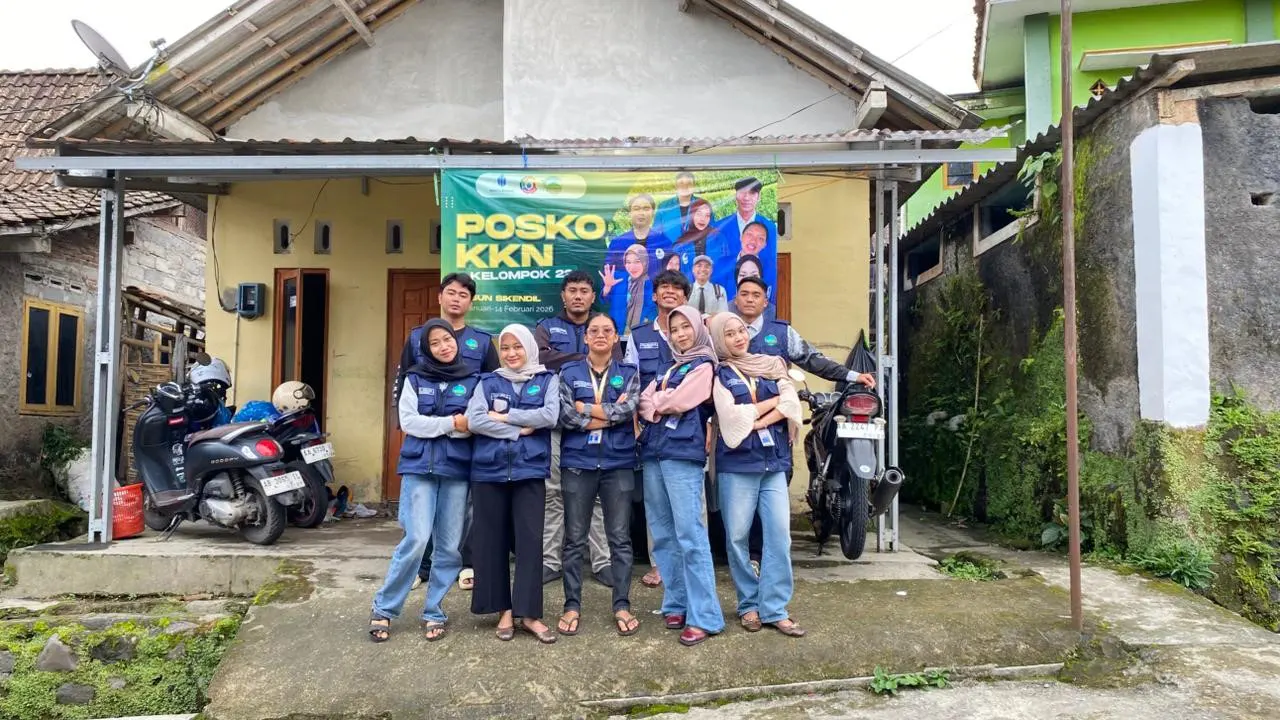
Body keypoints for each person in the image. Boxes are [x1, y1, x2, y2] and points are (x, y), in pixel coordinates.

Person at [369, 320, 478, 643]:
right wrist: (449, 423)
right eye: (435, 343)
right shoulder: (414, 378)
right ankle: (385, 607)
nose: (444, 346)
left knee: (448, 546)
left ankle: (434, 610)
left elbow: (472, 424)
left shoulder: (473, 380)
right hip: (419, 469)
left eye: (448, 339)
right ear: (426, 349)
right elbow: (409, 422)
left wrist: (448, 424)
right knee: (416, 539)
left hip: (457, 470)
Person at [396, 273, 498, 595]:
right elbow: (403, 386)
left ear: (471, 302)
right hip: (425, 439)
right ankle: (421, 568)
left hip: (466, 437)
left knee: (464, 505)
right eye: (451, 293)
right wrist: (407, 426)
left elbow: (493, 387)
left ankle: (466, 563)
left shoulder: (481, 341)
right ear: (440, 297)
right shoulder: (416, 338)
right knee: (421, 510)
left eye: (464, 294)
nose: (456, 299)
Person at [708, 312, 806, 638]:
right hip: (738, 465)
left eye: (741, 331)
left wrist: (760, 420)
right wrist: (775, 403)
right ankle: (748, 603)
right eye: (730, 334)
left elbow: (793, 404)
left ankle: (775, 608)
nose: (738, 337)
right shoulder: (719, 374)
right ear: (720, 339)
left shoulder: (771, 365)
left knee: (779, 535)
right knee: (737, 538)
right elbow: (730, 419)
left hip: (773, 462)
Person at [465, 324, 560, 644]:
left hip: (528, 471)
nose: (511, 353)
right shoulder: (487, 381)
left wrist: (504, 418)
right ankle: (504, 610)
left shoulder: (547, 379)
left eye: (517, 347)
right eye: (505, 348)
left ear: (529, 348)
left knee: (530, 542)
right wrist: (518, 429)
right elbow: (476, 419)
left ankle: (529, 613)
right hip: (488, 472)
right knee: (491, 543)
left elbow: (549, 416)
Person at [639, 305, 725, 647]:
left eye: (685, 327)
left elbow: (685, 400)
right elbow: (644, 402)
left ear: (698, 329)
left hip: (682, 454)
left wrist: (662, 402)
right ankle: (675, 602)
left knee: (690, 534)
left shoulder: (705, 365)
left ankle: (705, 616)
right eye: (674, 329)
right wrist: (662, 400)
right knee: (662, 534)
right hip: (653, 453)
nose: (680, 334)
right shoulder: (667, 367)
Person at [556, 313, 641, 637]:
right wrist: (608, 414)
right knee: (575, 540)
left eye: (608, 330)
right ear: (586, 338)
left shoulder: (629, 372)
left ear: (616, 336)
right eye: (595, 331)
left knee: (619, 539)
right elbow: (562, 414)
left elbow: (630, 407)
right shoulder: (568, 372)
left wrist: (585, 408)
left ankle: (621, 604)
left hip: (618, 463)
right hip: (578, 464)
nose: (601, 335)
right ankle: (571, 605)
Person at [534, 272, 617, 586]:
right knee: (552, 494)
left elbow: (615, 362)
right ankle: (549, 561)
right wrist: (587, 357)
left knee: (597, 497)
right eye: (573, 291)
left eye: (584, 291)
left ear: (593, 297)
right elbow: (542, 360)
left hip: (595, 426)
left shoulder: (603, 326)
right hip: (556, 427)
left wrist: (564, 360)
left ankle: (603, 562)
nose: (579, 296)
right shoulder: (546, 327)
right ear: (563, 295)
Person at [623, 269, 692, 589]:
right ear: (654, 296)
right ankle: (660, 565)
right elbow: (631, 384)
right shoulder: (639, 336)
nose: (669, 293)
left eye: (676, 289)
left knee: (690, 504)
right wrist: (636, 426)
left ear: (685, 298)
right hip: (651, 432)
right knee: (656, 502)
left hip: (688, 433)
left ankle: (690, 562)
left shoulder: (696, 332)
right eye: (663, 288)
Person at [709, 178, 777, 291]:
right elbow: (714, 263)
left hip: (759, 290)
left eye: (752, 193)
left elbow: (771, 262)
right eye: (742, 192)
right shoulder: (719, 227)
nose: (746, 198)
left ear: (759, 197)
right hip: (726, 291)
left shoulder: (770, 228)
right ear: (735, 195)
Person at [605, 194, 673, 281]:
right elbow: (609, 275)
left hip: (654, 293)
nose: (641, 213)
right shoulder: (617, 243)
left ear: (653, 212)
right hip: (625, 293)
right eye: (636, 209)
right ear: (630, 213)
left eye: (646, 208)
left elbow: (670, 275)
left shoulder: (664, 243)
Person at [602, 244, 656, 337]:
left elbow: (652, 310)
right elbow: (605, 301)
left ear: (645, 262)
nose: (632, 267)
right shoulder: (617, 278)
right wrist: (607, 288)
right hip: (615, 333)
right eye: (628, 262)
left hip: (639, 334)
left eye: (637, 261)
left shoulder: (650, 284)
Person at [654, 171, 703, 238]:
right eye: (681, 183)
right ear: (676, 186)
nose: (685, 186)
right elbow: (656, 233)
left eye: (689, 183)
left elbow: (711, 232)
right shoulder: (663, 207)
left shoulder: (703, 205)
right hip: (669, 248)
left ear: (694, 186)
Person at [727, 255, 775, 321]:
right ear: (736, 300)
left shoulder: (773, 312)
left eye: (754, 275)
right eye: (743, 275)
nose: (750, 300)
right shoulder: (726, 310)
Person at [672, 198, 719, 262]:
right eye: (699, 214)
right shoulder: (681, 242)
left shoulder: (717, 238)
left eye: (707, 215)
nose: (703, 219)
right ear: (692, 215)